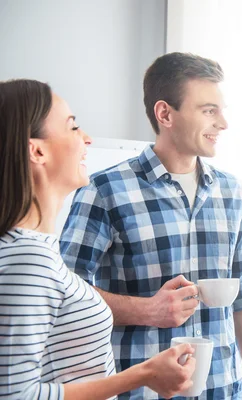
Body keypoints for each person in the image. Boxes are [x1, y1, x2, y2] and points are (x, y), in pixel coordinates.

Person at [60, 53, 242, 399]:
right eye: (209, 110)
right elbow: (65, 294)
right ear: (165, 114)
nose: (223, 123)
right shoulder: (105, 190)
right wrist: (148, 310)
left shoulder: (233, 192)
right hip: (142, 392)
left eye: (221, 109)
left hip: (222, 388)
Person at [0, 79, 196, 400]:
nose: (87, 139)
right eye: (73, 127)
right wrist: (141, 375)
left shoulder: (36, 252)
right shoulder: (28, 259)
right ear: (37, 150)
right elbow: (14, 395)